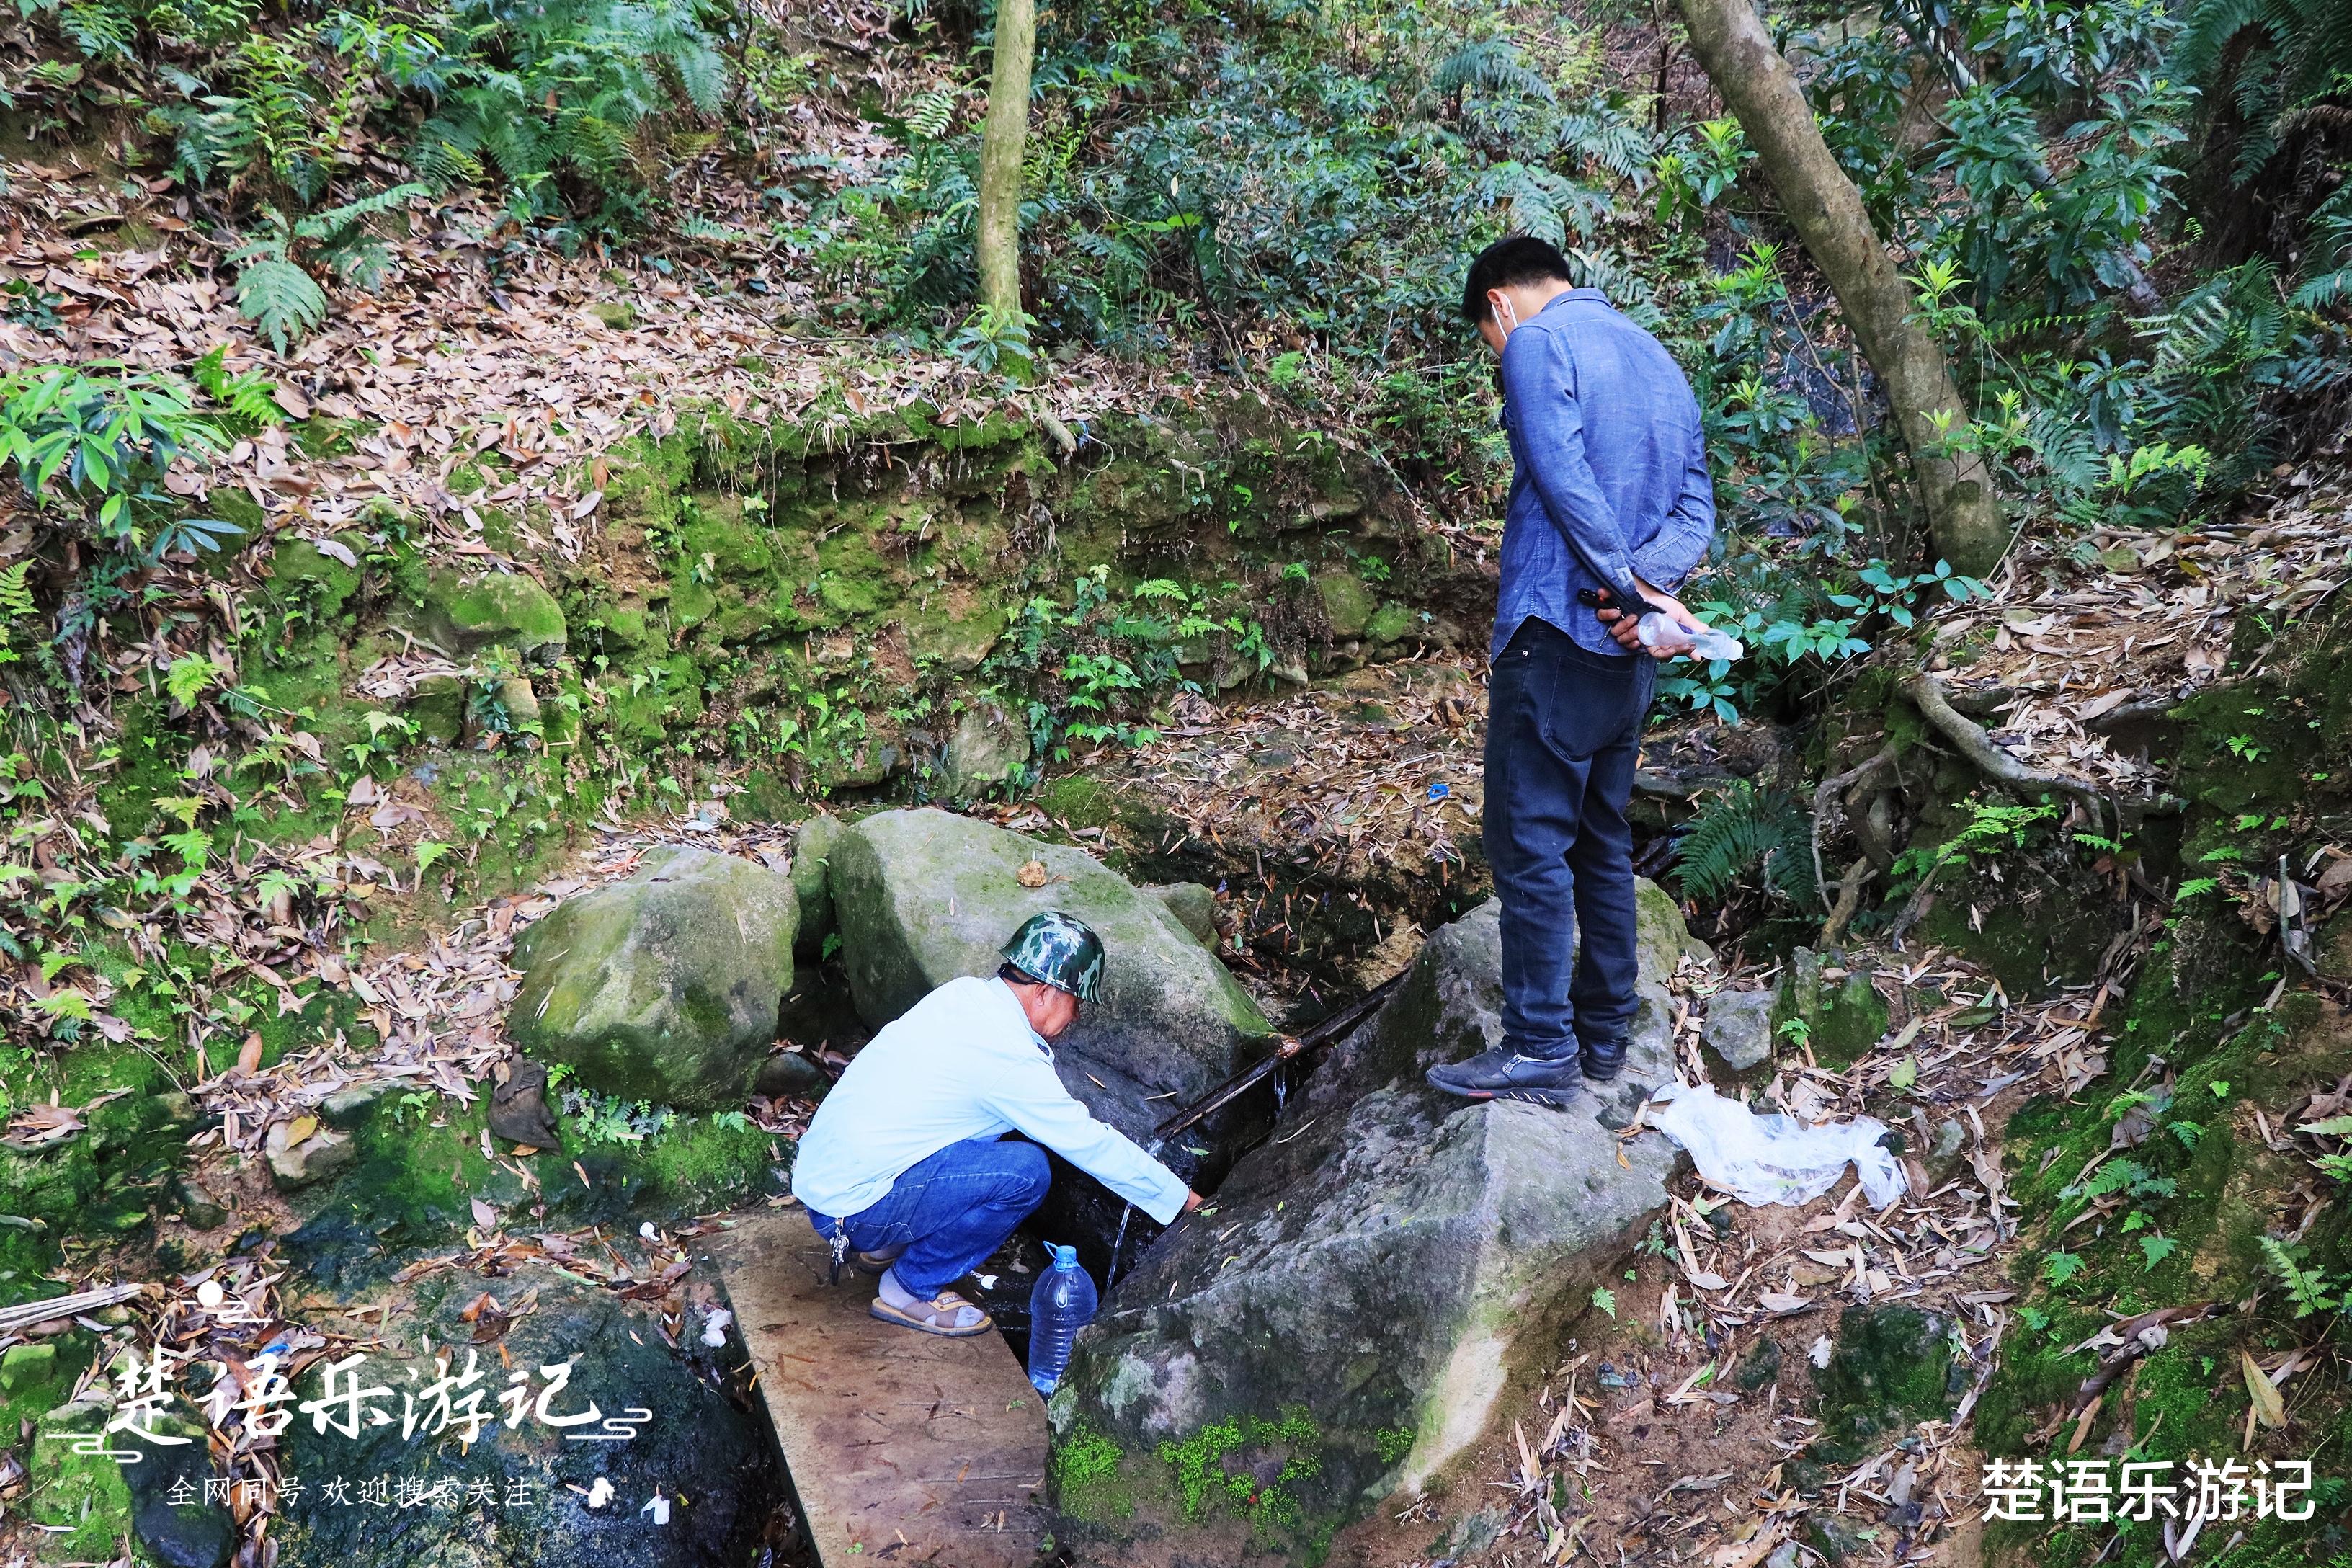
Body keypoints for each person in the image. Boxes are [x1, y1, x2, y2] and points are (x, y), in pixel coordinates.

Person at [1427, 236, 1719, 1110]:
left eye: (1489, 336)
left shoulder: (1537, 343)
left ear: (1501, 305)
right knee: (1601, 838)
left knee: (1528, 843)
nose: (1497, 355)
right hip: (1626, 652)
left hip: (1555, 630)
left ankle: (1539, 1047)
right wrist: (1649, 598)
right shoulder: (1655, 353)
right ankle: (1604, 1036)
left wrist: (1621, 584)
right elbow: (1698, 502)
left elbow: (1562, 480)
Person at [790, 911, 1203, 1337]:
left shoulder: (965, 995)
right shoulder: (1010, 1058)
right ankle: (910, 1286)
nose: (1077, 1017)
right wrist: (1185, 1202)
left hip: (828, 1185)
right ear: (1043, 992)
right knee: (1026, 1173)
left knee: (985, 1133)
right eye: (1076, 1003)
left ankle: (884, 1244)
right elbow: (1090, 1143)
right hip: (853, 1211)